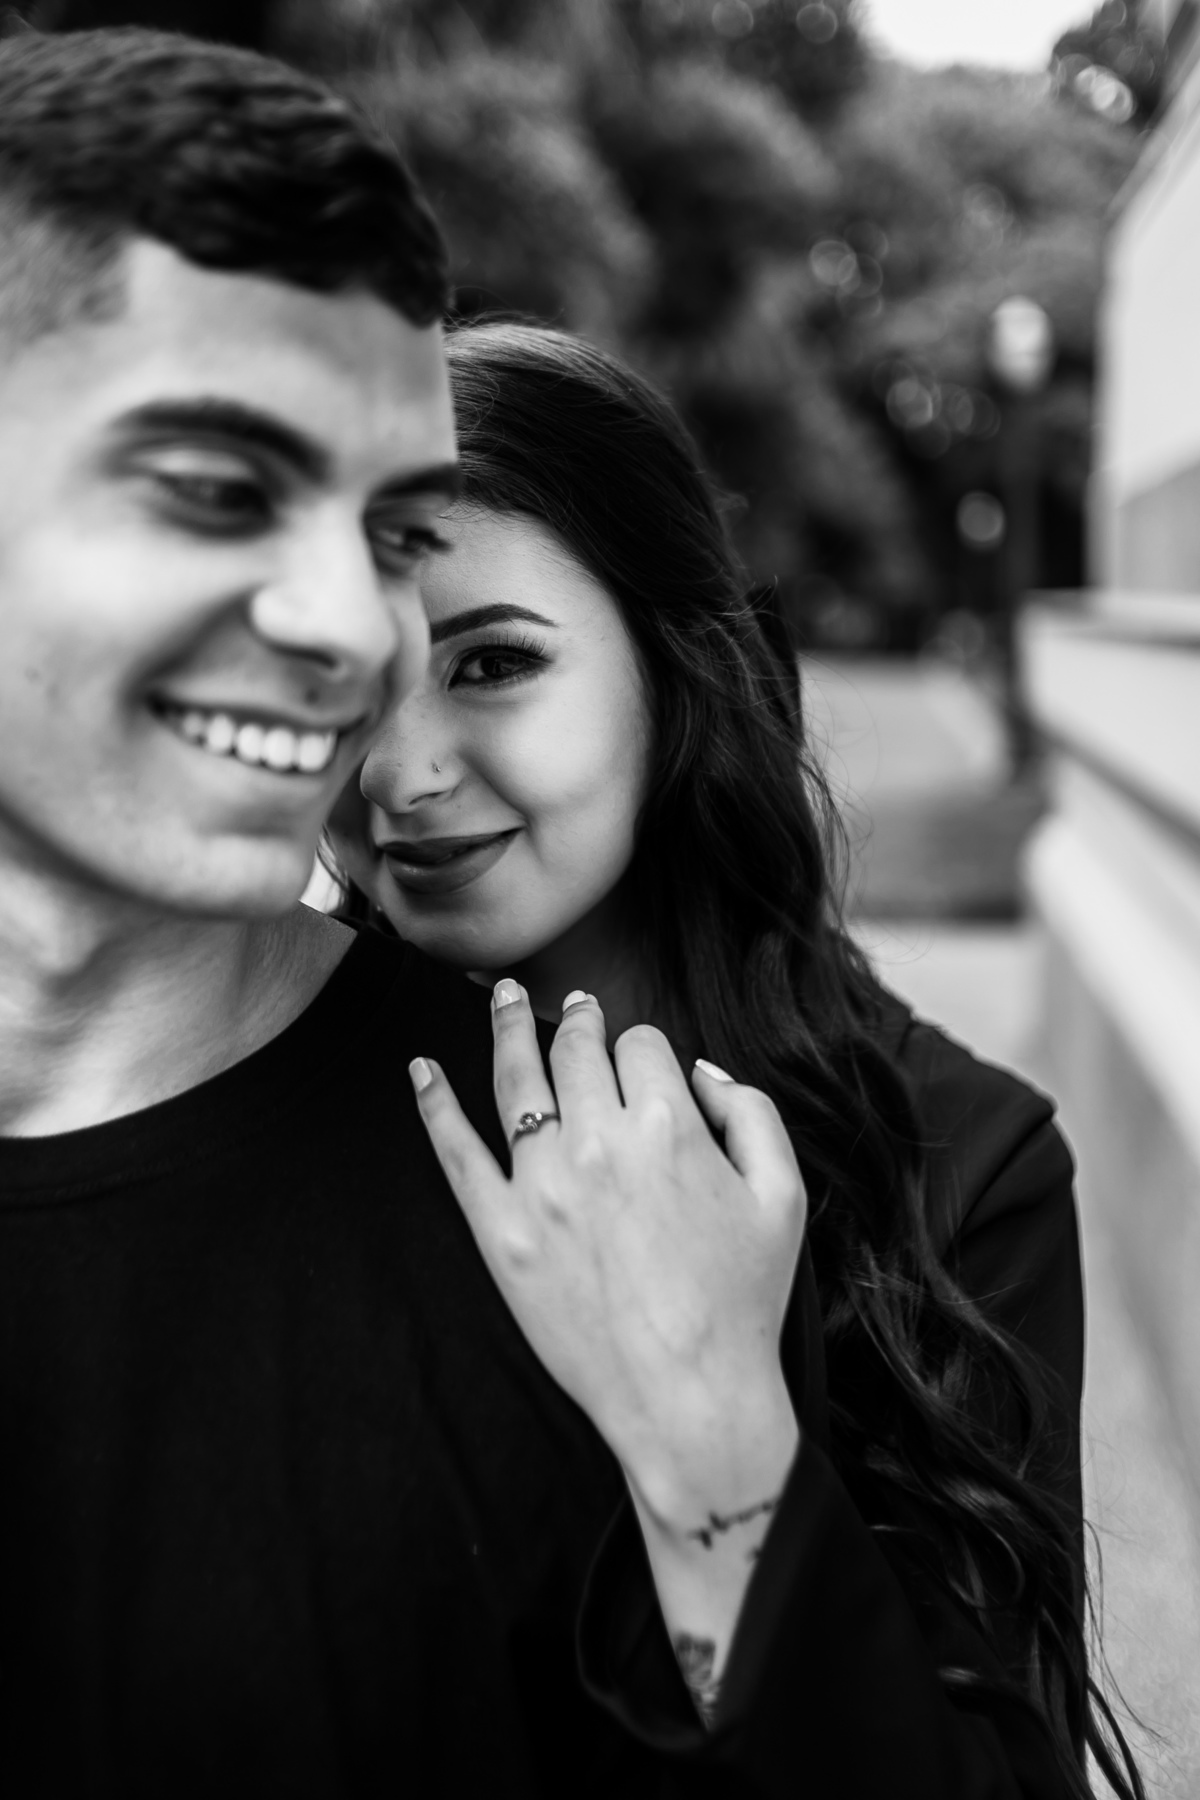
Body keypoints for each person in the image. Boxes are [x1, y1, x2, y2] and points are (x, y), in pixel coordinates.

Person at [0, 28, 810, 1796]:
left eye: (389, 530)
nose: (356, 637)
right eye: (220, 490)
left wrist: (718, 1454)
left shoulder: (581, 1212)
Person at [328, 321, 1146, 1800]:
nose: (399, 770)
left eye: (493, 663)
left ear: (675, 665)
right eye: (343, 683)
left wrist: (711, 1431)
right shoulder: (262, 1102)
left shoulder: (961, 1162)